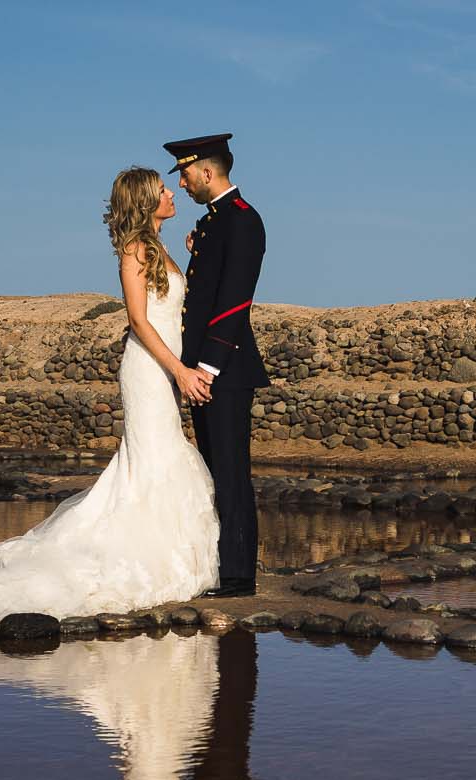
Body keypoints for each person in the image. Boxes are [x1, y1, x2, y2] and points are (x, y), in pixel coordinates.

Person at [0, 166, 220, 630]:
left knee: (160, 455)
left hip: (164, 370)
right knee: (155, 457)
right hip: (151, 371)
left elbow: (170, 307)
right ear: (143, 201)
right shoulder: (134, 250)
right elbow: (138, 320)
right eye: (161, 191)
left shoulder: (160, 249)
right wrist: (178, 371)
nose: (172, 194)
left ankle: (161, 551)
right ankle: (140, 557)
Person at [165, 133, 269, 599]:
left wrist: (207, 366)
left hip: (222, 370)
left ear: (207, 172)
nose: (182, 185)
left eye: (185, 175)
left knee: (230, 472)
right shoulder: (212, 224)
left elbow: (232, 303)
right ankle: (221, 567)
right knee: (213, 470)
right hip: (207, 369)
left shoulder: (243, 221)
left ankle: (238, 576)